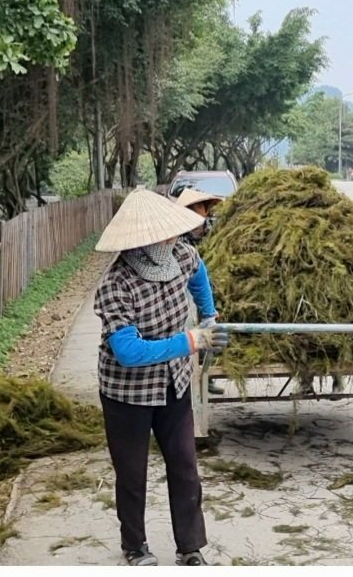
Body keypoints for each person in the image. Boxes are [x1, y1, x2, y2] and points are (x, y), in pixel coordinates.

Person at [93, 189, 229, 566]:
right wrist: (191, 340)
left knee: (185, 463)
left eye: (172, 232)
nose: (171, 239)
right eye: (162, 235)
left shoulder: (182, 256)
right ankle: (134, 545)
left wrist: (209, 315)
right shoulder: (116, 285)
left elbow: (198, 274)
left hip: (174, 383)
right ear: (141, 240)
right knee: (132, 473)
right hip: (127, 393)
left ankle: (190, 546)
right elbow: (129, 352)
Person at [176, 189, 225, 395]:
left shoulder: (211, 233)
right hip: (183, 294)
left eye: (201, 210)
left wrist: (209, 310)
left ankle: (207, 374)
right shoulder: (178, 240)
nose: (198, 215)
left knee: (209, 333)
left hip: (205, 290)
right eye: (193, 210)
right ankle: (191, 377)